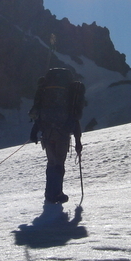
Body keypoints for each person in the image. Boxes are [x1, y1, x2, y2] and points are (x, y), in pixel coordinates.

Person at [29, 68, 84, 204]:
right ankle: (57, 193)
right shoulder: (70, 97)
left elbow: (40, 112)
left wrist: (34, 131)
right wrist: (78, 142)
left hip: (46, 132)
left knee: (51, 163)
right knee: (59, 163)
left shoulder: (46, 93)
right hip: (62, 132)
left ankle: (49, 194)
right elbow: (75, 118)